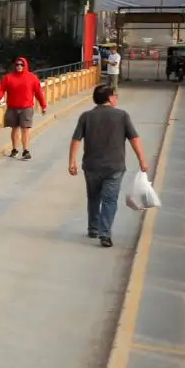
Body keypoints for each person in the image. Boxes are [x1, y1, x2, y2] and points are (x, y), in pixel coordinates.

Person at [68, 85, 150, 248]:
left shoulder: (86, 116)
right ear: (110, 98)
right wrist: (142, 160)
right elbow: (134, 139)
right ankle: (104, 233)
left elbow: (76, 139)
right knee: (110, 200)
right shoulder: (122, 116)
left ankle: (93, 228)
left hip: (91, 166)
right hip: (115, 166)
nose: (116, 99)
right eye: (115, 96)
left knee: (93, 197)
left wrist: (72, 162)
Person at [0, 56, 49, 161]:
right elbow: (1, 89)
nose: (19, 66)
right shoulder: (8, 78)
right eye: (17, 64)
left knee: (25, 130)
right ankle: (14, 149)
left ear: (25, 65)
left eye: (21, 65)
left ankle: (26, 151)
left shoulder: (32, 78)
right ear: (14, 66)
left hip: (26, 108)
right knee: (15, 129)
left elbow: (38, 93)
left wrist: (43, 105)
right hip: (12, 107)